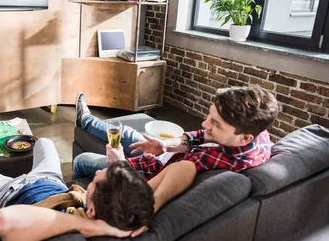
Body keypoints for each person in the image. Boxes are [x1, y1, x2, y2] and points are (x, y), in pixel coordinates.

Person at [73, 85, 279, 214]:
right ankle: (87, 120)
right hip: (166, 155)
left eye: (216, 124)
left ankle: (80, 197)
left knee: (82, 160)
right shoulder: (259, 136)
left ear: (245, 137)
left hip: (149, 170)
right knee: (126, 133)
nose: (205, 124)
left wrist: (119, 164)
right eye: (209, 116)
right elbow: (199, 136)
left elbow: (147, 189)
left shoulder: (218, 162)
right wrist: (165, 145)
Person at [0, 137, 155, 241]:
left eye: (95, 181)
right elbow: (184, 169)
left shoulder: (67, 223)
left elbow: (4, 220)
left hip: (7, 194)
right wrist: (145, 215)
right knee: (44, 142)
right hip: (51, 180)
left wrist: (99, 228)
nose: (95, 172)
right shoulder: (118, 209)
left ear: (92, 212)